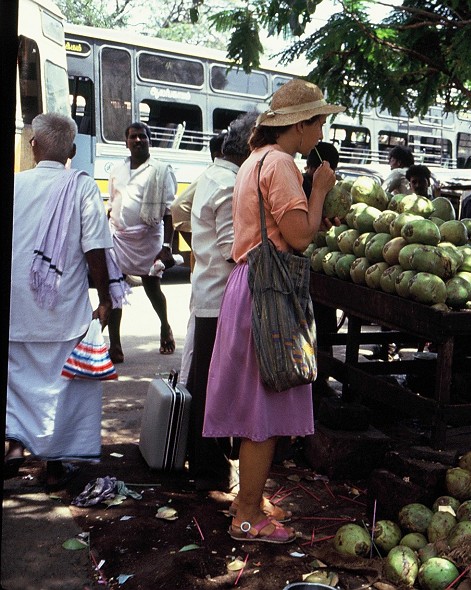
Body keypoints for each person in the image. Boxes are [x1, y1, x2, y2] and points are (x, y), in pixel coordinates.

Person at [203, 78, 344, 543]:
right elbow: (301, 235)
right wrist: (319, 187)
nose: (321, 133)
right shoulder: (282, 162)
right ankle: (247, 519)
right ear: (299, 126)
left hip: (250, 287)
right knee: (262, 413)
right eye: (319, 123)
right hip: (270, 293)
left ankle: (248, 502)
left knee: (253, 409)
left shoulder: (253, 161)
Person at [6, 113, 115, 489]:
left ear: (32, 146)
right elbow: (96, 249)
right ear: (71, 150)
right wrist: (105, 298)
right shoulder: (81, 187)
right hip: (61, 309)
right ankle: (52, 467)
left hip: (16, 307)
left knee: (17, 383)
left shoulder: (16, 185)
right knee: (59, 386)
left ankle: (14, 448)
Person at [185, 112, 258, 492]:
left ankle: (206, 460)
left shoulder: (214, 175)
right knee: (215, 388)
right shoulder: (229, 184)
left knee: (208, 384)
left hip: (210, 292)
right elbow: (236, 249)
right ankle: (210, 467)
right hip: (219, 297)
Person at [107, 122, 178, 363]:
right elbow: (112, 205)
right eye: (133, 137)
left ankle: (165, 327)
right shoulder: (117, 170)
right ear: (126, 142)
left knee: (152, 288)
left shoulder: (160, 170)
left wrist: (167, 247)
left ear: (150, 140)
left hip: (149, 239)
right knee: (114, 289)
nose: (138, 141)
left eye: (142, 137)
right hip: (119, 239)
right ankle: (115, 345)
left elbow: (170, 211)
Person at [171, 131, 227, 385]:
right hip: (212, 273)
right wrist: (203, 235)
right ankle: (186, 387)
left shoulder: (211, 176)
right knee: (198, 337)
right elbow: (178, 208)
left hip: (205, 269)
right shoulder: (216, 177)